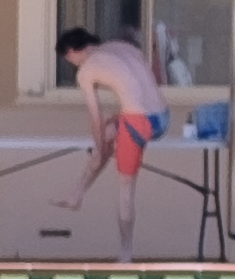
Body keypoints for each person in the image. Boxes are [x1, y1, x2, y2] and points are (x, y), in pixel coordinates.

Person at [62, 22, 172, 262]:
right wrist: (103, 142)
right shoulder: (121, 47)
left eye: (69, 59)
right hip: (163, 116)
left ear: (71, 52)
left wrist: (100, 149)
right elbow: (139, 83)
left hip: (139, 123)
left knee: (125, 188)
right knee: (110, 132)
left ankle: (125, 254)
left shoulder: (86, 71)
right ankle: (76, 193)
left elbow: (94, 118)